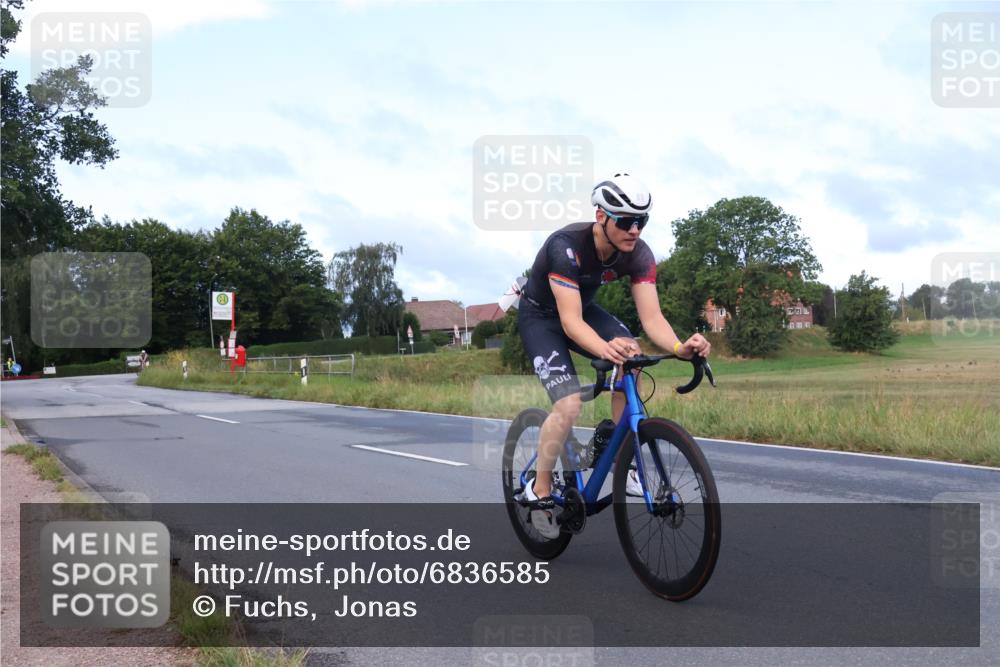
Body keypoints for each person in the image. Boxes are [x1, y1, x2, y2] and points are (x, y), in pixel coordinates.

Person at [517, 173, 711, 538]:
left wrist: (678, 347)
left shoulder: (639, 254)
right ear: (601, 216)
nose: (635, 230)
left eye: (642, 221)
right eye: (625, 220)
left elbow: (651, 317)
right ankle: (539, 488)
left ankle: (629, 459)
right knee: (569, 403)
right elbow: (570, 323)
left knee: (633, 356)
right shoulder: (566, 246)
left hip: (582, 309)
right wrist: (607, 349)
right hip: (542, 317)